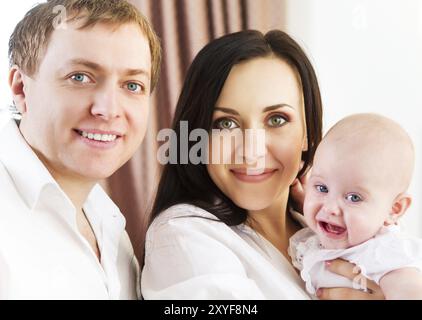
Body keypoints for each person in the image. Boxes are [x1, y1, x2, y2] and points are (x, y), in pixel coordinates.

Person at [141, 30, 382, 299]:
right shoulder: (183, 236)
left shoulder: (333, 229)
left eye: (277, 119)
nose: (251, 153)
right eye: (225, 124)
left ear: (309, 134)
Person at [0, 0, 161, 299]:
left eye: (132, 85)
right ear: (22, 88)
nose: (109, 110)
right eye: (80, 77)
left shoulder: (108, 221)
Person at [289, 113, 422, 300]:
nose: (329, 209)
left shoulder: (385, 255)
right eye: (322, 188)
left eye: (353, 197)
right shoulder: (338, 230)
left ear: (394, 209)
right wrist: (305, 203)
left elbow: (412, 292)